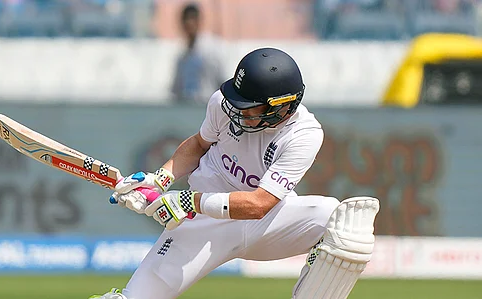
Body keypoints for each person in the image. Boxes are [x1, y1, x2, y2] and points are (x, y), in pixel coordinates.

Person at [91, 48, 379, 299]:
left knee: (342, 223)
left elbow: (259, 205)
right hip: (201, 225)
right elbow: (198, 144)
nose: (236, 112)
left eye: (249, 107)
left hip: (265, 223)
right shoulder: (222, 103)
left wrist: (189, 201)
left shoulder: (304, 135)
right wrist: (160, 179)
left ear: (282, 107)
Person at [170, 2, 226, 105]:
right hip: (186, 107)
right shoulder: (182, 55)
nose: (189, 24)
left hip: (207, 106)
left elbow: (223, 81)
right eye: (186, 20)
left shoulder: (211, 48)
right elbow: (175, 89)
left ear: (199, 21)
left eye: (192, 19)